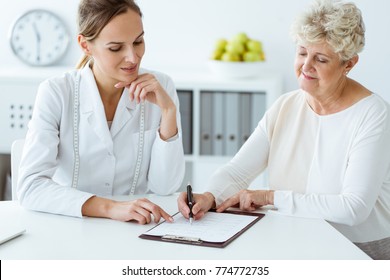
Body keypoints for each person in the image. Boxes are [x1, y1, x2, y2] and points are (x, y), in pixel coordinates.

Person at [178, 0, 390, 259]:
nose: (306, 66)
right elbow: (237, 173)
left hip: (360, 250)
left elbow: (353, 208)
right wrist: (209, 196)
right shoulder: (286, 106)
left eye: (321, 59)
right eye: (302, 52)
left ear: (349, 64)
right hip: (296, 239)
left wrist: (269, 196)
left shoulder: (373, 114)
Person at [17, 0, 185, 224]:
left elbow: (165, 188)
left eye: (138, 41)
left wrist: (168, 111)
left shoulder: (161, 85)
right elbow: (31, 187)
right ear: (86, 45)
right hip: (69, 226)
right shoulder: (57, 92)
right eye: (116, 48)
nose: (133, 57)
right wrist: (110, 208)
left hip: (137, 228)